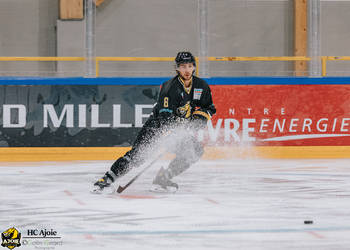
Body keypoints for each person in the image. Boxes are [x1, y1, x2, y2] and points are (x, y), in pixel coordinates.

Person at [93, 51, 216, 193]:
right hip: (157, 127)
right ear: (177, 68)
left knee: (195, 151)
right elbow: (164, 116)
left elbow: (209, 108)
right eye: (183, 66)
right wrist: (170, 134)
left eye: (189, 66)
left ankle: (163, 178)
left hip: (179, 129)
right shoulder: (169, 87)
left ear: (194, 67)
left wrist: (198, 119)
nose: (187, 70)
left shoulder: (201, 86)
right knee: (138, 156)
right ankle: (108, 178)